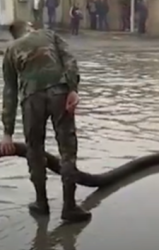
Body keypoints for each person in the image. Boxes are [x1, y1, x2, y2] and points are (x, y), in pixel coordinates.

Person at [0, 20, 91, 222]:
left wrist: (7, 133)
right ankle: (69, 206)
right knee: (67, 150)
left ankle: (41, 203)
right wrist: (73, 89)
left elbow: (9, 92)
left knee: (34, 150)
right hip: (60, 92)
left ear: (14, 35)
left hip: (31, 98)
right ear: (30, 27)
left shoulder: (11, 50)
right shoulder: (49, 34)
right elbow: (69, 60)